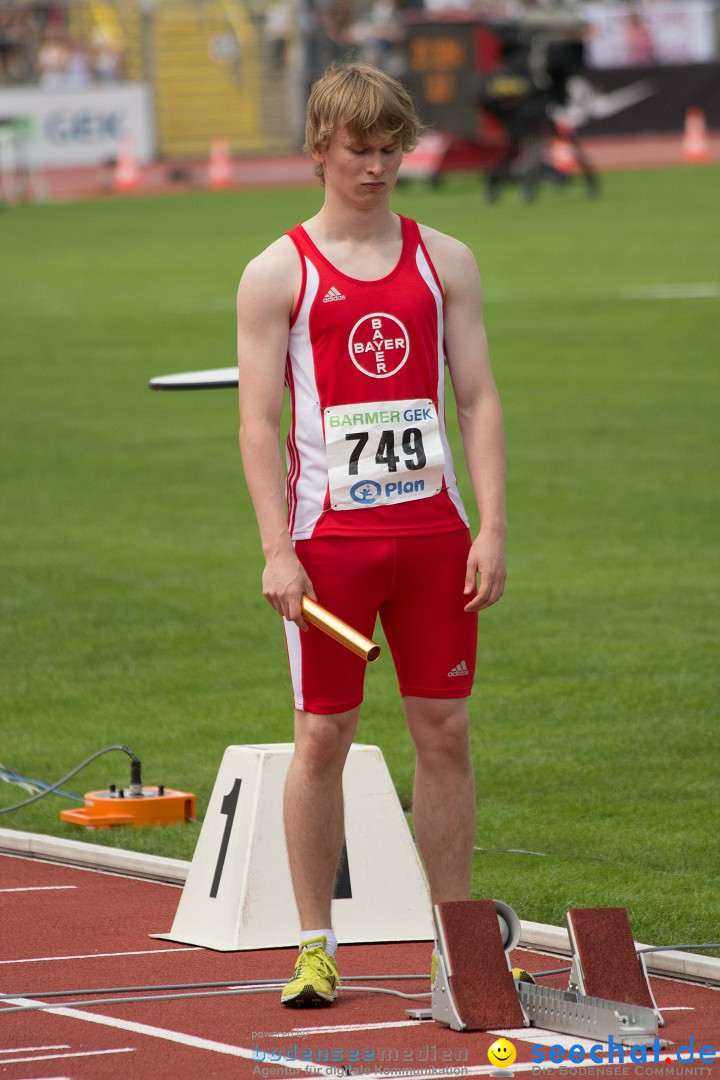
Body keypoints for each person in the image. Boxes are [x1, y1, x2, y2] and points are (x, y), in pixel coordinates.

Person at [236, 62, 506, 1007]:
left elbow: (475, 397)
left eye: (394, 148)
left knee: (446, 733)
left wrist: (493, 524)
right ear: (319, 149)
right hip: (332, 546)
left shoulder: (447, 260)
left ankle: (456, 947)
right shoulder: (278, 272)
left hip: (434, 536)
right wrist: (277, 547)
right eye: (361, 148)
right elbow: (256, 423)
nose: (379, 165)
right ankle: (315, 945)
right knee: (324, 734)